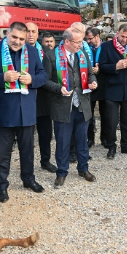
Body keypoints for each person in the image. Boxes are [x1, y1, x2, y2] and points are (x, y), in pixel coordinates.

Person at [0, 22, 48, 203]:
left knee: (27, 150)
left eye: (21, 39)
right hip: (4, 110)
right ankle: (2, 185)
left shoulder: (33, 51)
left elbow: (43, 76)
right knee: (3, 153)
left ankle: (28, 179)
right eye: (14, 37)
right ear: (7, 34)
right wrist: (2, 78)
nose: (18, 41)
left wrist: (32, 79)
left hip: (27, 110)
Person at [43, 26, 98, 187]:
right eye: (78, 42)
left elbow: (90, 73)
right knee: (63, 141)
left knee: (82, 140)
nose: (81, 45)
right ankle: (61, 172)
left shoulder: (83, 55)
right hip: (62, 106)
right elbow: (45, 81)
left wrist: (93, 81)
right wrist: (58, 88)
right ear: (67, 41)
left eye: (81, 41)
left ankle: (83, 168)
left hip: (82, 105)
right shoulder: (51, 56)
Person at [98, 23, 127, 159]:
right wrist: (115, 67)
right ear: (117, 33)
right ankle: (111, 146)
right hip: (112, 89)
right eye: (122, 36)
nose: (124, 40)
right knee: (111, 121)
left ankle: (125, 145)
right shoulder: (106, 46)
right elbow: (102, 67)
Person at [28, 23, 58, 173]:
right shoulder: (17, 52)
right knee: (27, 137)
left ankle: (45, 161)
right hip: (26, 99)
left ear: (37, 33)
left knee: (46, 134)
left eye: (33, 31)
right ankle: (27, 166)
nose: (30, 34)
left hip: (44, 99)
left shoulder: (47, 51)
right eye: (27, 31)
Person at [85, 27, 108, 148]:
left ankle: (104, 138)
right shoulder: (85, 48)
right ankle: (90, 138)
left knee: (105, 114)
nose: (88, 41)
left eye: (90, 38)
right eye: (87, 39)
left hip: (103, 84)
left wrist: (100, 68)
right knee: (89, 114)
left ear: (97, 36)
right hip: (89, 85)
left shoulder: (106, 47)